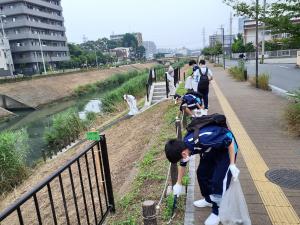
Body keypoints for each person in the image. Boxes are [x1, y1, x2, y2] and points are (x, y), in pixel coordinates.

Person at [164, 114, 240, 225]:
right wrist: (178, 184)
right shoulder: (185, 144)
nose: (183, 159)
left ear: (184, 153)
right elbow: (183, 163)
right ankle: (209, 199)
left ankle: (217, 212)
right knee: (202, 173)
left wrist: (232, 164)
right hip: (212, 149)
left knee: (218, 181)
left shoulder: (204, 138)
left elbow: (229, 139)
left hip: (227, 150)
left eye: (181, 157)